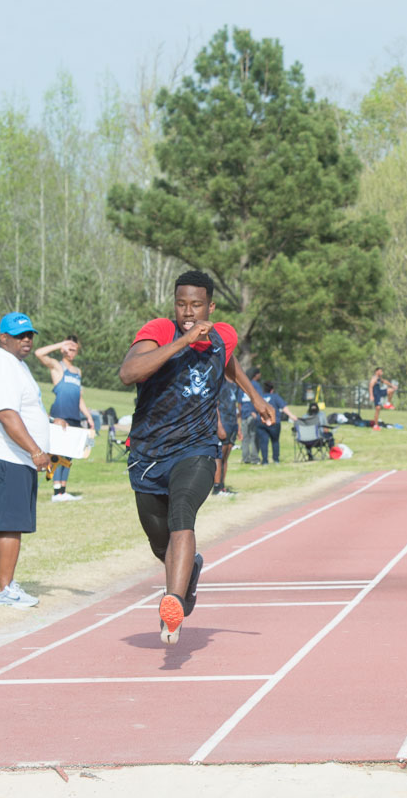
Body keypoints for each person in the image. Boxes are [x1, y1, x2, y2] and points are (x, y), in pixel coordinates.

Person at [119, 270, 274, 645]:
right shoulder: (159, 330)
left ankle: (171, 604)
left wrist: (256, 398)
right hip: (148, 454)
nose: (188, 311)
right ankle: (187, 575)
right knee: (162, 545)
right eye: (181, 304)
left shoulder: (223, 335)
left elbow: (228, 361)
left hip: (197, 449)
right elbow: (128, 373)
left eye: (196, 305)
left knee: (182, 512)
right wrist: (183, 341)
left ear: (211, 306)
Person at [0, 312, 49, 608]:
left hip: (14, 457)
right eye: (19, 335)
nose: (26, 340)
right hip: (5, 457)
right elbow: (6, 415)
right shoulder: (2, 367)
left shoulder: (15, 365)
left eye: (29, 335)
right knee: (9, 524)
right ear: (3, 338)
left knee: (10, 525)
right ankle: (3, 589)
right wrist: (36, 450)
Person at [35, 336, 94, 502]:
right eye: (69, 348)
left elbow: (79, 398)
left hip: (74, 417)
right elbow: (39, 353)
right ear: (63, 349)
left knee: (69, 455)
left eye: (74, 349)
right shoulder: (58, 367)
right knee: (58, 454)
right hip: (60, 416)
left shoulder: (78, 372)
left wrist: (88, 416)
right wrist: (61, 344)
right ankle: (56, 492)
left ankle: (63, 490)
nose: (71, 352)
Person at [256, 381, 298, 464]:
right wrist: (291, 416)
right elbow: (283, 407)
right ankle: (276, 459)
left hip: (261, 422)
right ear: (272, 390)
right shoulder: (275, 397)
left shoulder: (260, 397)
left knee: (264, 442)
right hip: (273, 422)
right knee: (275, 441)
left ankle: (265, 461)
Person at [213, 378, 240, 496]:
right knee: (219, 456)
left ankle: (222, 486)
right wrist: (219, 426)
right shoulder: (220, 382)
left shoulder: (234, 385)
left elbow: (237, 406)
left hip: (232, 423)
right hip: (223, 423)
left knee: (226, 457)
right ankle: (216, 487)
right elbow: (215, 406)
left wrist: (238, 427)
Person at [240, 366, 264, 465]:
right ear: (256, 375)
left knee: (245, 438)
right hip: (253, 414)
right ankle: (254, 458)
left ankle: (245, 458)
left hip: (244, 415)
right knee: (254, 437)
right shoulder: (256, 385)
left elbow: (239, 403)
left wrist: (240, 415)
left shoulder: (242, 385)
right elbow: (259, 400)